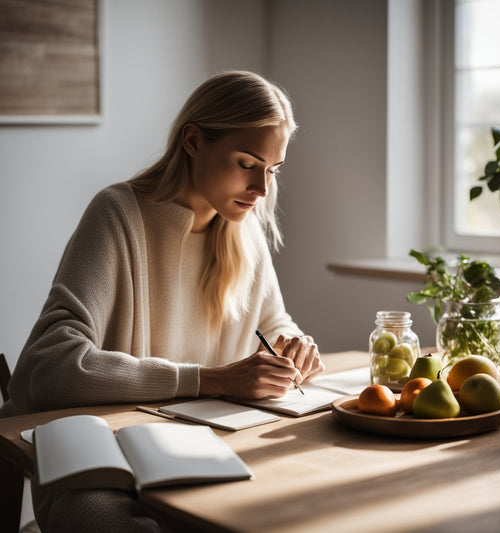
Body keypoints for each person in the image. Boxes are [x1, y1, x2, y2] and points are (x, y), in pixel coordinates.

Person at [1, 71, 324, 531]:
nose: (262, 189)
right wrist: (211, 380)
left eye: (272, 170)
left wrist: (292, 346)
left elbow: (274, 323)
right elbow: (48, 366)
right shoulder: (117, 212)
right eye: (247, 164)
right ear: (193, 141)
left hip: (204, 450)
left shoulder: (244, 229)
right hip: (105, 457)